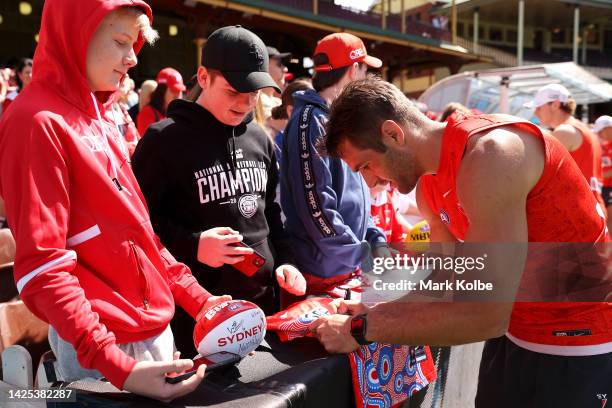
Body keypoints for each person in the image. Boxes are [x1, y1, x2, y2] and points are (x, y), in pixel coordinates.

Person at [310, 78, 611, 407]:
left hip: (579, 345)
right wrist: (379, 308)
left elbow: (485, 314)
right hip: (516, 335)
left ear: (394, 134)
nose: (369, 181)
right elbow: (449, 275)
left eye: (366, 165)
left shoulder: (492, 153)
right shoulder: (429, 185)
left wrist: (359, 328)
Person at [0, 0, 230, 401]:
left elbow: (141, 234)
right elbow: (42, 268)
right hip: (102, 346)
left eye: (136, 43)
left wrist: (201, 300)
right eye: (122, 42)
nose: (132, 58)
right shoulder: (35, 120)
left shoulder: (101, 114)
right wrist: (118, 366)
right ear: (77, 34)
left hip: (151, 331)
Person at [132, 25, 306, 356]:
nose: (245, 103)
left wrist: (287, 261)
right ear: (203, 77)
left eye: (253, 93)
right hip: (193, 320)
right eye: (233, 91)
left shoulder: (260, 140)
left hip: (261, 312)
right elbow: (139, 230)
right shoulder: (162, 142)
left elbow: (271, 213)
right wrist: (194, 245)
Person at [280, 33, 389, 298]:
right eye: (364, 70)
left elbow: (356, 197)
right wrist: (363, 253)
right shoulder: (310, 120)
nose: (366, 78)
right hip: (321, 275)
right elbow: (317, 208)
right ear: (353, 70)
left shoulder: (335, 118)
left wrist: (375, 238)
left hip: (345, 265)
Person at [525, 84, 606, 212]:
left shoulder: (565, 131)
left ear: (555, 105)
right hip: (591, 207)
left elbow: (533, 172)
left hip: (578, 209)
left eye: (539, 107)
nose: (535, 112)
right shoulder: (583, 129)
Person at [136, 67, 185, 134]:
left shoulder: (177, 113)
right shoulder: (147, 113)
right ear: (162, 90)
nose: (178, 94)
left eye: (180, 91)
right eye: (174, 90)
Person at [594, 115, 612, 233]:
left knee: (610, 218)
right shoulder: (598, 143)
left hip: (610, 187)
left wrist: (599, 174)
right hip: (600, 188)